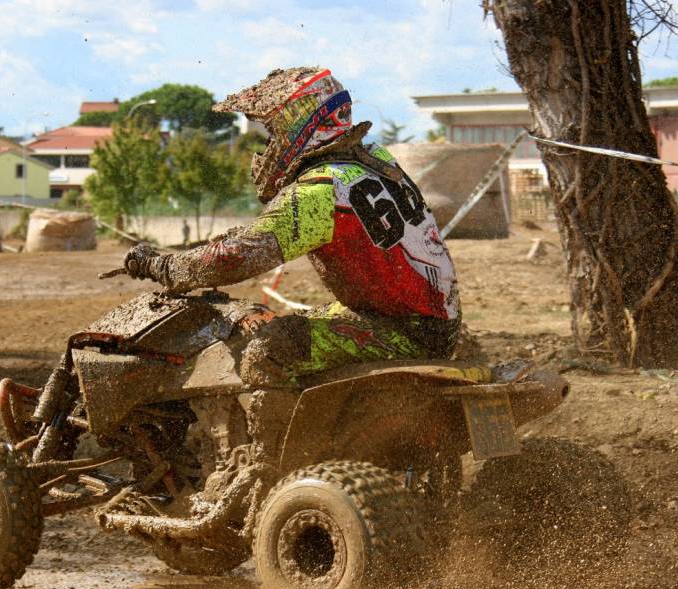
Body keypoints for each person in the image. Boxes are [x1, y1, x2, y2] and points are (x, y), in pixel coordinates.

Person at [124, 67, 459, 385]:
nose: (267, 147)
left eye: (271, 134)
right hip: (425, 318)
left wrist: (162, 264)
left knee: (268, 350)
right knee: (276, 324)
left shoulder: (319, 191)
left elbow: (233, 258)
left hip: (401, 331)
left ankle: (271, 446)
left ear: (298, 126)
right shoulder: (375, 158)